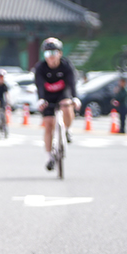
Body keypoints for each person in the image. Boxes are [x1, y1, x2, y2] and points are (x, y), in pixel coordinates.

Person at [34, 38, 79, 170]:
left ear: (60, 53)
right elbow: (39, 85)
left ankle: (67, 130)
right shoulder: (40, 67)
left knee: (66, 105)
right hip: (48, 96)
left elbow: (72, 82)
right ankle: (49, 157)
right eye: (47, 53)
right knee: (48, 124)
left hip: (62, 94)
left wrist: (75, 98)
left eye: (54, 53)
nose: (51, 57)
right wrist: (41, 99)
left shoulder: (66, 66)